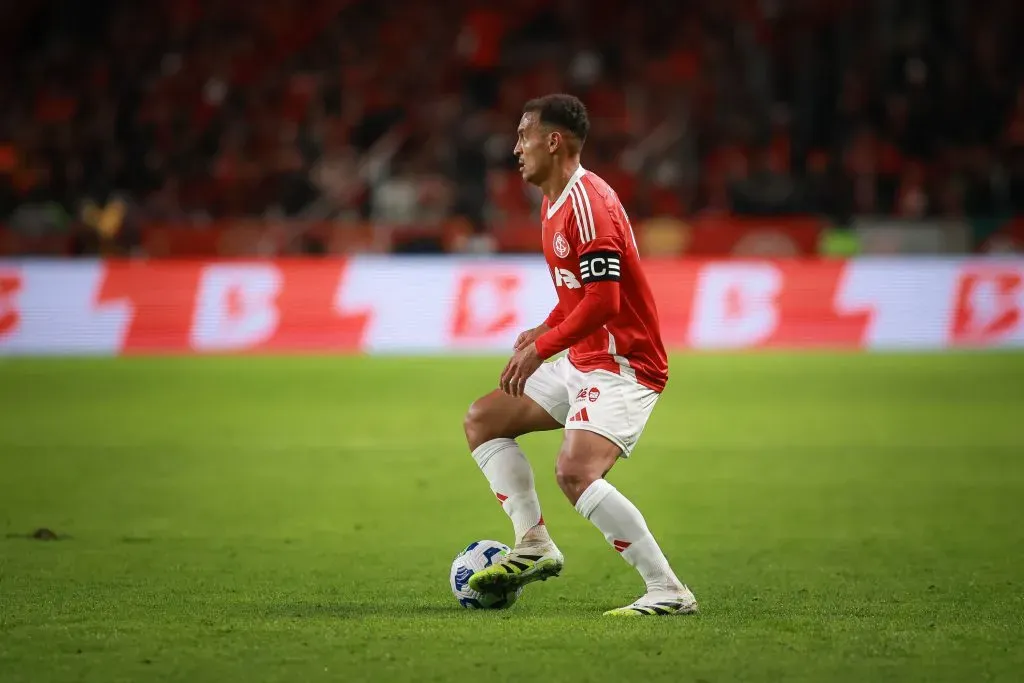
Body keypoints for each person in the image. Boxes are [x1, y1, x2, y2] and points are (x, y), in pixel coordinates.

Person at [463, 94, 697, 616]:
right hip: (584, 358)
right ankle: (532, 545)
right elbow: (579, 292)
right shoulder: (554, 200)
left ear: (554, 141)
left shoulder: (589, 206)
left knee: (575, 472)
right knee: (484, 420)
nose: (515, 148)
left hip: (624, 365)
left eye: (524, 136)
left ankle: (668, 590)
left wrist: (542, 348)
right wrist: (544, 328)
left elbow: (606, 302)